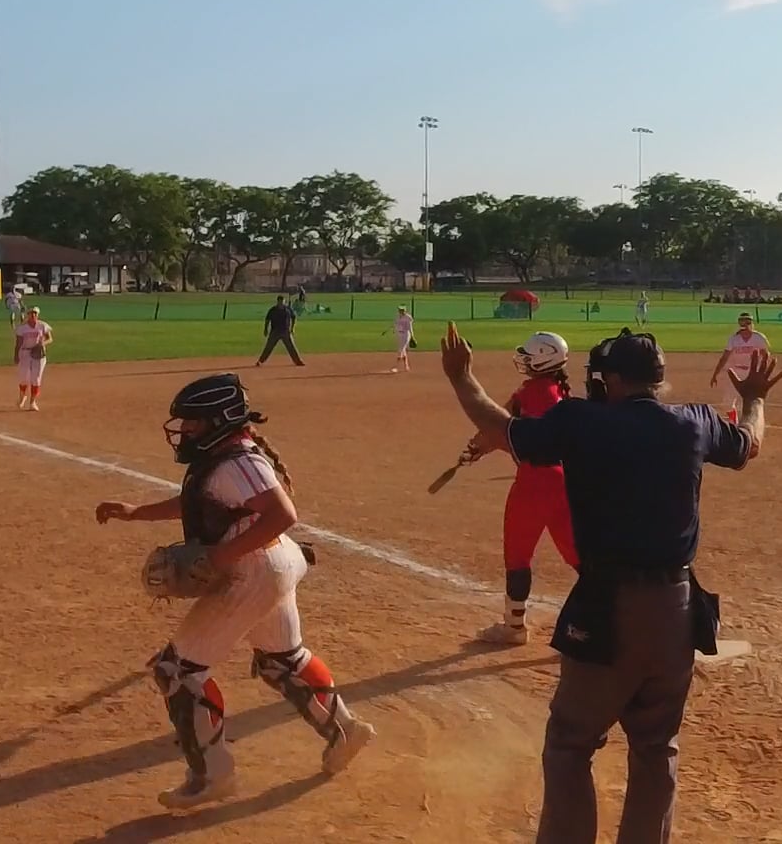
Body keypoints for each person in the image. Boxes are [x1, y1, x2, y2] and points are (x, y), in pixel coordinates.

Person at [440, 321, 780, 844]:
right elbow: (749, 443)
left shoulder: (580, 420)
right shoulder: (694, 421)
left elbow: (502, 427)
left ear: (615, 379)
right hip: (677, 610)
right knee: (657, 747)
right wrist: (754, 398)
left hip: (609, 608)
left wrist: (462, 378)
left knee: (571, 742)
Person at [93, 374, 374, 809]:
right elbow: (201, 501)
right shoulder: (224, 458)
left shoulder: (238, 462)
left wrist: (220, 557)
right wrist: (137, 513)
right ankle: (346, 731)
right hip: (272, 564)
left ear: (220, 420)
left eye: (193, 423)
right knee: (283, 661)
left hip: (253, 571)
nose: (185, 431)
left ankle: (212, 775)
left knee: (177, 671)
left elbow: (283, 514)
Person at [438, 331, 581, 646]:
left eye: (529, 356)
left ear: (543, 359)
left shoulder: (532, 392)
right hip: (565, 483)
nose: (524, 361)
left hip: (533, 482)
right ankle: (606, 618)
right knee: (579, 556)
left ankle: (514, 626)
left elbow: (500, 426)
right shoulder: (561, 391)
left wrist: (476, 447)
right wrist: (478, 448)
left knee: (518, 554)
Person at [708, 312, 769, 424]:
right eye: (742, 322)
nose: (745, 325)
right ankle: (734, 420)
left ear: (751, 323)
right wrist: (715, 374)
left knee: (749, 402)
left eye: (747, 322)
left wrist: (762, 372)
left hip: (752, 372)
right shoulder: (734, 339)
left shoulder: (759, 338)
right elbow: (724, 357)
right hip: (736, 372)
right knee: (727, 403)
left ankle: (749, 423)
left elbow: (766, 355)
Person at [13, 305, 54, 410]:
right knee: (23, 378)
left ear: (37, 315)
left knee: (36, 379)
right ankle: (22, 396)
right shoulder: (22, 328)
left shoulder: (42, 325)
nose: (33, 315)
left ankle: (32, 402)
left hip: (38, 354)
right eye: (31, 313)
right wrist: (16, 355)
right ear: (28, 315)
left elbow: (50, 338)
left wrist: (43, 343)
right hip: (25, 353)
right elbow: (18, 343)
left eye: (35, 313)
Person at [258, 294, 304, 367]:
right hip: (275, 331)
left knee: (291, 347)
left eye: (283, 301)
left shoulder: (288, 309)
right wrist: (265, 329)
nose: (281, 303)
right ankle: (261, 361)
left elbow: (293, 317)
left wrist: (292, 328)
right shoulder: (273, 310)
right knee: (269, 347)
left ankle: (298, 361)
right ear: (277, 301)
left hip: (285, 331)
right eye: (280, 302)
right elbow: (267, 319)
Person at [390, 305, 415, 373]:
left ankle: (396, 366)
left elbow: (410, 327)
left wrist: (412, 336)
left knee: (401, 350)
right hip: (399, 334)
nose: (400, 311)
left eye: (401, 310)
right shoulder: (398, 317)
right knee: (403, 350)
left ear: (404, 310)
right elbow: (395, 324)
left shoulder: (408, 317)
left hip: (406, 335)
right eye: (399, 310)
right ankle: (406, 366)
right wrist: (394, 329)